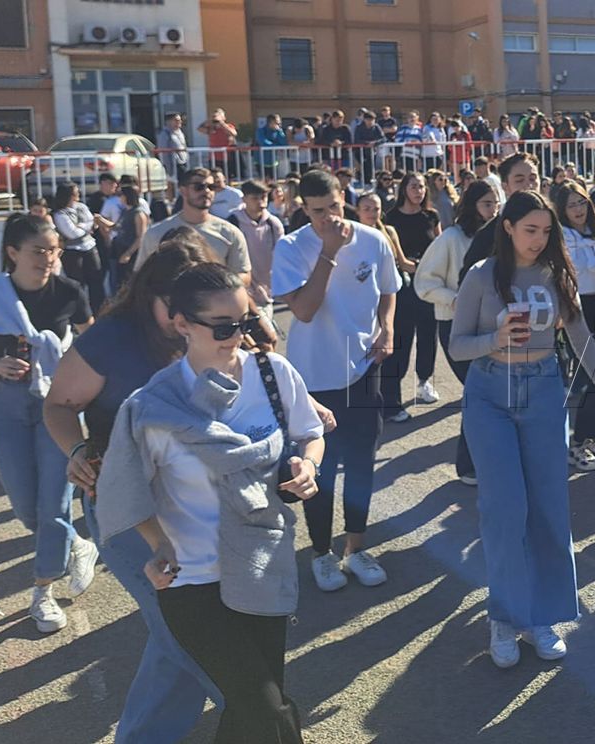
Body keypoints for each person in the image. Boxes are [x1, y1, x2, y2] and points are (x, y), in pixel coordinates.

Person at [96, 262, 322, 743]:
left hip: (262, 565)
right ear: (181, 324)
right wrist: (156, 545)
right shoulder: (155, 405)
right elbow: (124, 490)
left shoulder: (273, 373)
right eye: (223, 327)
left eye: (245, 322)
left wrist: (308, 466)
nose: (237, 337)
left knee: (248, 712)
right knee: (268, 711)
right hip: (193, 583)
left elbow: (310, 433)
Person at [46, 239, 229, 743]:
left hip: (196, 500)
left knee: (176, 627)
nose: (183, 320)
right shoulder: (110, 339)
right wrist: (78, 451)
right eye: (176, 306)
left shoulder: (207, 328)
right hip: (124, 504)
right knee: (182, 621)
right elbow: (58, 405)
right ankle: (258, 712)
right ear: (151, 293)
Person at [448, 190, 595, 666]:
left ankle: (540, 616)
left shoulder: (555, 272)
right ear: (507, 227)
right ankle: (504, 618)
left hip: (545, 390)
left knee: (548, 508)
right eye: (531, 230)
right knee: (505, 509)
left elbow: (581, 335)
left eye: (546, 231)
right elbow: (457, 345)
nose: (539, 239)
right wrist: (495, 338)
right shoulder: (483, 275)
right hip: (490, 394)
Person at [0, 213, 98, 633]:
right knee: (27, 507)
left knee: (53, 504)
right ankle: (78, 544)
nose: (48, 258)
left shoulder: (71, 292)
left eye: (54, 250)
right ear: (12, 252)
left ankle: (43, 592)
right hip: (4, 406)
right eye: (38, 250)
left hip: (59, 404)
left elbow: (93, 343)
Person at [273, 170, 399, 592]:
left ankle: (356, 547)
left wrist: (387, 326)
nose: (329, 217)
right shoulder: (292, 247)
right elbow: (304, 310)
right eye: (317, 211)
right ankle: (322, 553)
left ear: (344, 196)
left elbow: (388, 289)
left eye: (333, 207)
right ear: (303, 210)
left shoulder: (373, 239)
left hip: (363, 368)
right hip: (313, 376)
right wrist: (329, 251)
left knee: (362, 462)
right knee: (319, 470)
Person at [415, 180, 499, 486]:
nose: (493, 209)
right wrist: (454, 298)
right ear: (472, 204)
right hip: (455, 324)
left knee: (483, 393)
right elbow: (424, 282)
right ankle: (468, 465)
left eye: (496, 203)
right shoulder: (451, 238)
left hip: (489, 324)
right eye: (487, 203)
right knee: (479, 390)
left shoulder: (502, 236)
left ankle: (478, 460)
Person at [554, 180, 595, 472]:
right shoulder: (561, 236)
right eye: (571, 204)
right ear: (562, 210)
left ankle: (589, 438)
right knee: (592, 376)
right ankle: (578, 442)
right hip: (577, 309)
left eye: (581, 202)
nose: (578, 209)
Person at [381, 172, 443, 420]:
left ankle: (425, 381)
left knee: (429, 335)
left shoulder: (432, 216)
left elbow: (440, 246)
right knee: (402, 341)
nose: (418, 191)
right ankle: (392, 398)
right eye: (413, 186)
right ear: (403, 189)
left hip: (429, 285)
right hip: (403, 287)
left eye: (421, 187)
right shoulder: (391, 218)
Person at [135, 168, 252, 281]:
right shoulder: (156, 233)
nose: (206, 191)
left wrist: (218, 284)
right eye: (199, 187)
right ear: (183, 191)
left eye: (211, 187)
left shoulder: (230, 233)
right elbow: (141, 276)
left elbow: (244, 274)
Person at [459, 153, 541, 282]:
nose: (528, 185)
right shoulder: (488, 234)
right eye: (519, 180)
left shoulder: (553, 226)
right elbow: (467, 284)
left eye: (532, 178)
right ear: (505, 187)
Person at [225, 179, 285, 319]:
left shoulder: (273, 224)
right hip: (241, 291)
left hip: (266, 291)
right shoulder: (233, 222)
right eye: (255, 198)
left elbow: (282, 256)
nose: (260, 202)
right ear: (244, 199)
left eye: (263, 197)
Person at [52, 182, 107, 310]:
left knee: (96, 282)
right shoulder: (60, 214)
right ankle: (81, 312)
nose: (79, 194)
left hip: (89, 247)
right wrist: (86, 226)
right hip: (73, 252)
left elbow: (92, 222)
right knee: (77, 284)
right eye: (75, 192)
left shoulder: (81, 207)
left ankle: (100, 310)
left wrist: (82, 226)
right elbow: (72, 233)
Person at [110, 184, 150, 286]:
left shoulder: (138, 214)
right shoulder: (125, 211)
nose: (119, 197)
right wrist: (101, 221)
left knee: (130, 281)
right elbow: (117, 226)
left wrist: (128, 253)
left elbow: (141, 236)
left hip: (131, 252)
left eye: (121, 194)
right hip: (120, 248)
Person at [198, 108, 239, 177]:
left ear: (224, 117)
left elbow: (233, 133)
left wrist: (222, 123)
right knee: (214, 176)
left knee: (228, 176)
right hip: (214, 157)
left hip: (227, 157)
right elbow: (200, 129)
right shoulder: (210, 128)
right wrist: (210, 120)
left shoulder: (229, 126)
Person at [157, 112, 189, 189]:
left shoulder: (180, 132)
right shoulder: (165, 134)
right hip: (174, 164)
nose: (179, 122)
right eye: (176, 120)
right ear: (169, 122)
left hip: (183, 162)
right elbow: (164, 152)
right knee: (175, 184)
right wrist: (169, 169)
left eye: (180, 120)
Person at [255, 114, 288, 180]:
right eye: (277, 122)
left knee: (273, 182)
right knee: (263, 182)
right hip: (261, 161)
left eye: (279, 122)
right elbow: (264, 143)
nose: (279, 124)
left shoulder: (279, 131)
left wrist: (279, 131)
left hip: (273, 161)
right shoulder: (260, 131)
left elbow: (284, 143)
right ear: (270, 122)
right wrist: (277, 146)